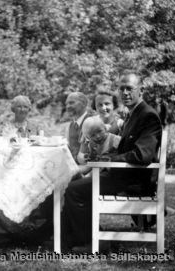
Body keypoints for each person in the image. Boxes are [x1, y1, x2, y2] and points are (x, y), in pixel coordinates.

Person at [61, 73, 162, 250]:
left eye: (129, 88)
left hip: (134, 181)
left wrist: (109, 159)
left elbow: (142, 155)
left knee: (73, 191)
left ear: (141, 90)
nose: (125, 93)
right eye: (121, 88)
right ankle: (69, 238)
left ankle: (91, 242)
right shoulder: (133, 114)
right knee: (73, 182)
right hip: (123, 175)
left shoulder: (147, 116)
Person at [65, 92, 94, 163]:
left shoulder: (93, 121)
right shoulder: (70, 125)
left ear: (83, 103)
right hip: (73, 165)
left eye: (71, 103)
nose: (68, 106)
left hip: (89, 167)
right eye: (67, 104)